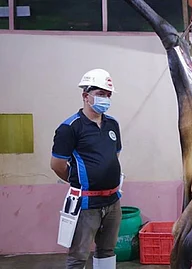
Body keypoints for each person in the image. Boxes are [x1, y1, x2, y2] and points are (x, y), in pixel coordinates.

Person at [50, 68, 123, 269]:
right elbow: (57, 165)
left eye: (108, 95)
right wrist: (79, 182)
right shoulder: (70, 127)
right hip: (86, 204)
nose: (105, 99)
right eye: (100, 94)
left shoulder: (112, 125)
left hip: (113, 201)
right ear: (85, 96)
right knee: (78, 257)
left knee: (107, 251)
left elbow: (114, 155)